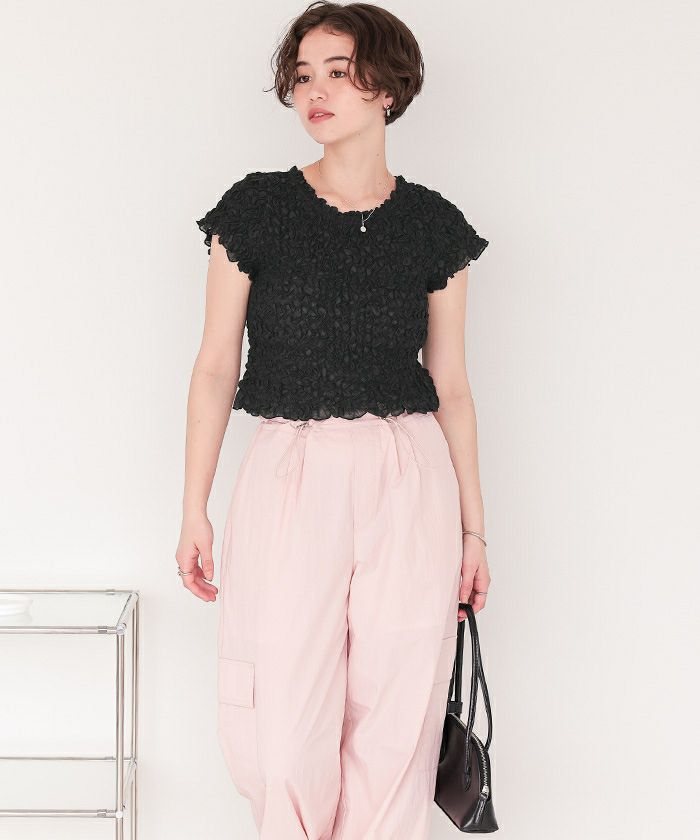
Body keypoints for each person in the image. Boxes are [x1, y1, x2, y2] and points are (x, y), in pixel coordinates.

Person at [176, 2, 491, 838]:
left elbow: (452, 386)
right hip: (292, 468)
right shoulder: (256, 210)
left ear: (387, 88)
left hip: (409, 473)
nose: (314, 92)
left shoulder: (433, 226)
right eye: (303, 75)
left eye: (339, 73)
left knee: (399, 713)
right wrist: (194, 509)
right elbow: (215, 367)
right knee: (282, 723)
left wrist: (473, 531)